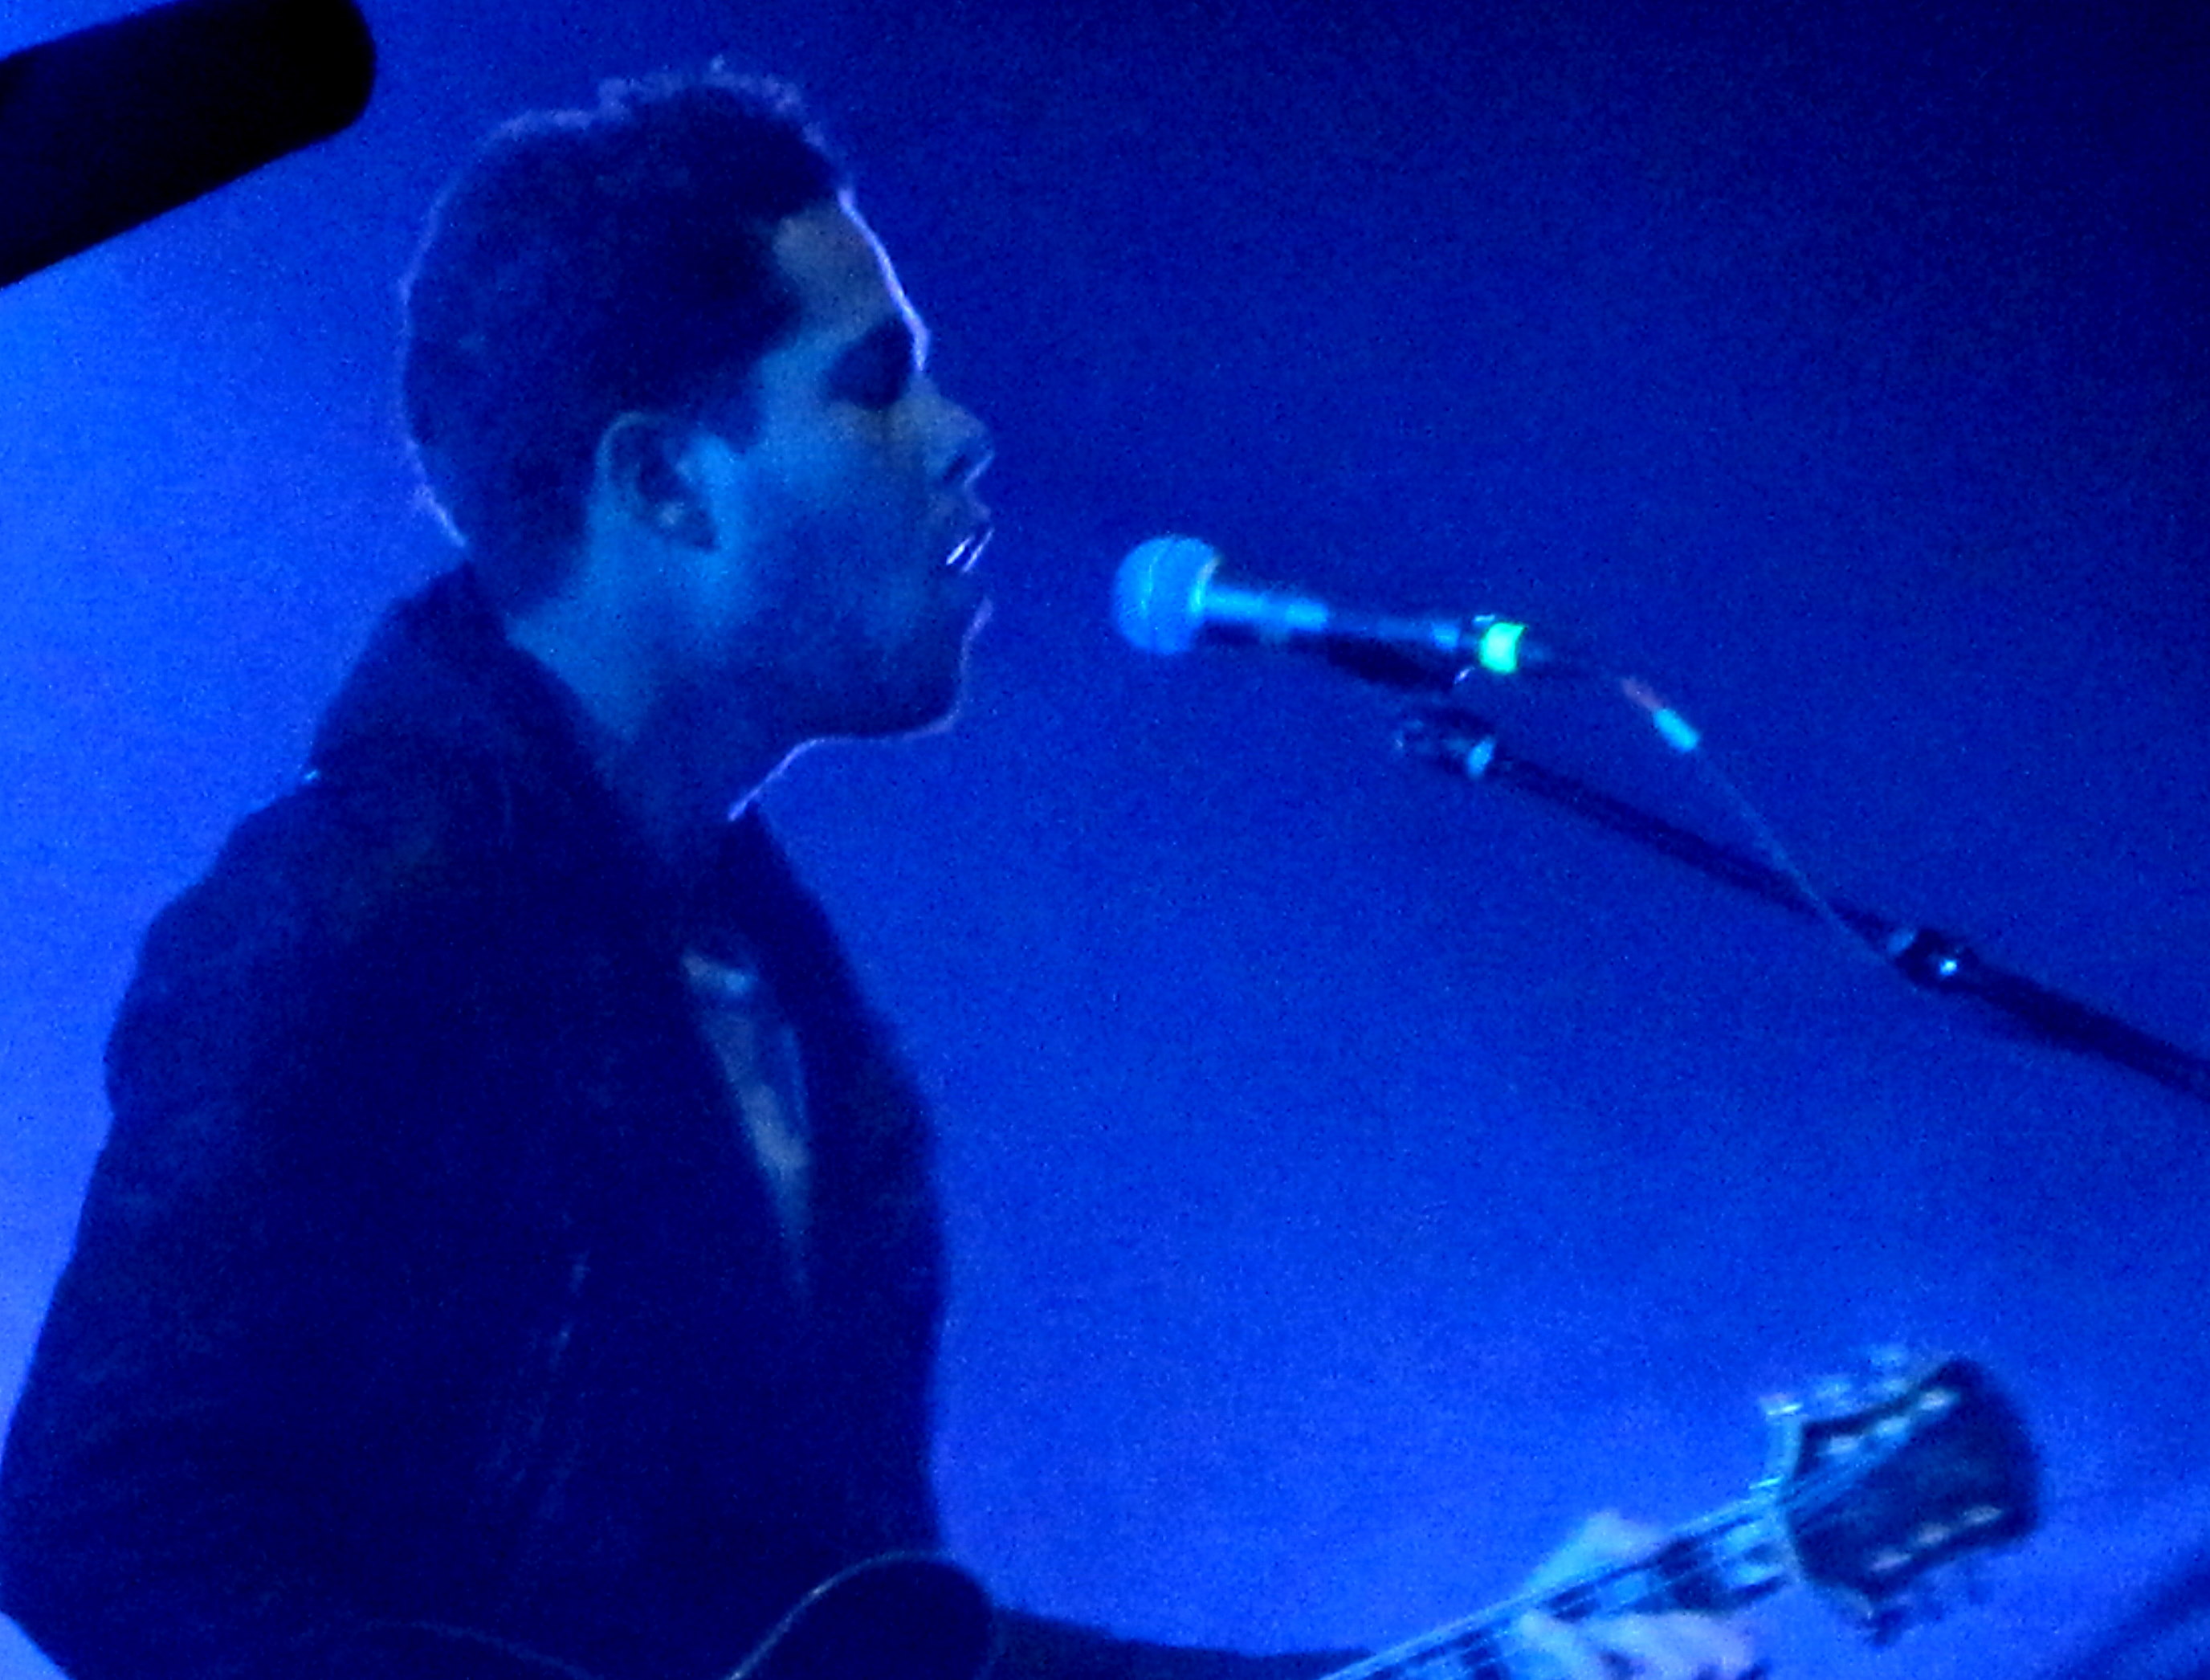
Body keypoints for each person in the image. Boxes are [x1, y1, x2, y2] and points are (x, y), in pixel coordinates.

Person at [0, 68, 1760, 1680]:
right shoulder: (354, 913)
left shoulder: (776, 990)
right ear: (665, 482)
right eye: (872, 384)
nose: (957, 431)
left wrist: (1462, 1667)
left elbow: (854, 1643)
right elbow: (103, 1525)